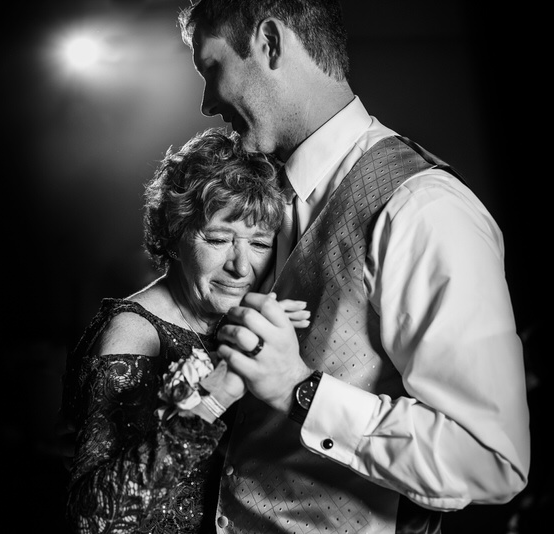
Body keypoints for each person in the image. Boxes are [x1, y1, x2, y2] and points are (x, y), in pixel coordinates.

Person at [176, 1, 531, 533]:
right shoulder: (264, 196)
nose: (206, 102)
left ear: (270, 44)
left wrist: (301, 390)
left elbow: (488, 459)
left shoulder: (423, 209)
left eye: (212, 68)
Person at [60, 127, 312, 533]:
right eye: (218, 239)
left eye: (260, 244)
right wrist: (217, 392)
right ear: (174, 237)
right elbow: (93, 519)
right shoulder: (132, 334)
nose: (241, 267)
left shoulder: (240, 316)